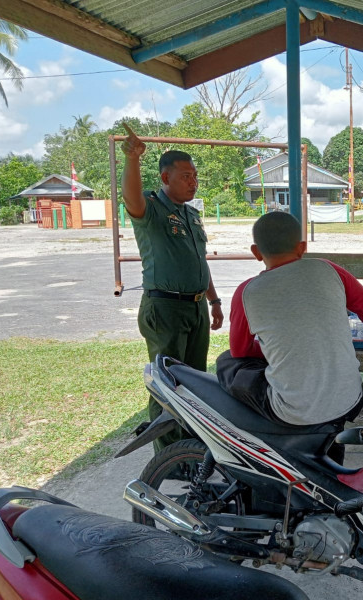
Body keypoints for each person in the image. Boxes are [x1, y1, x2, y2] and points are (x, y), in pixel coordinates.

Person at [217, 211, 363, 440]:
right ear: (302, 247)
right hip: (351, 400)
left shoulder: (246, 293)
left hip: (291, 412)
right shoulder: (329, 270)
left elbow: (240, 351)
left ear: (256, 252)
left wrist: (278, 353)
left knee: (227, 362)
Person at [121, 124, 224, 451]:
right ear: (165, 178)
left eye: (194, 176)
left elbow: (198, 260)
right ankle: (169, 456)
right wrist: (133, 160)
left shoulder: (191, 215)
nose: (193, 181)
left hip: (195, 308)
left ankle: (191, 446)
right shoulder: (152, 209)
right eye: (185, 176)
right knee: (167, 384)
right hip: (165, 308)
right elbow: (131, 199)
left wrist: (214, 300)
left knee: (194, 380)